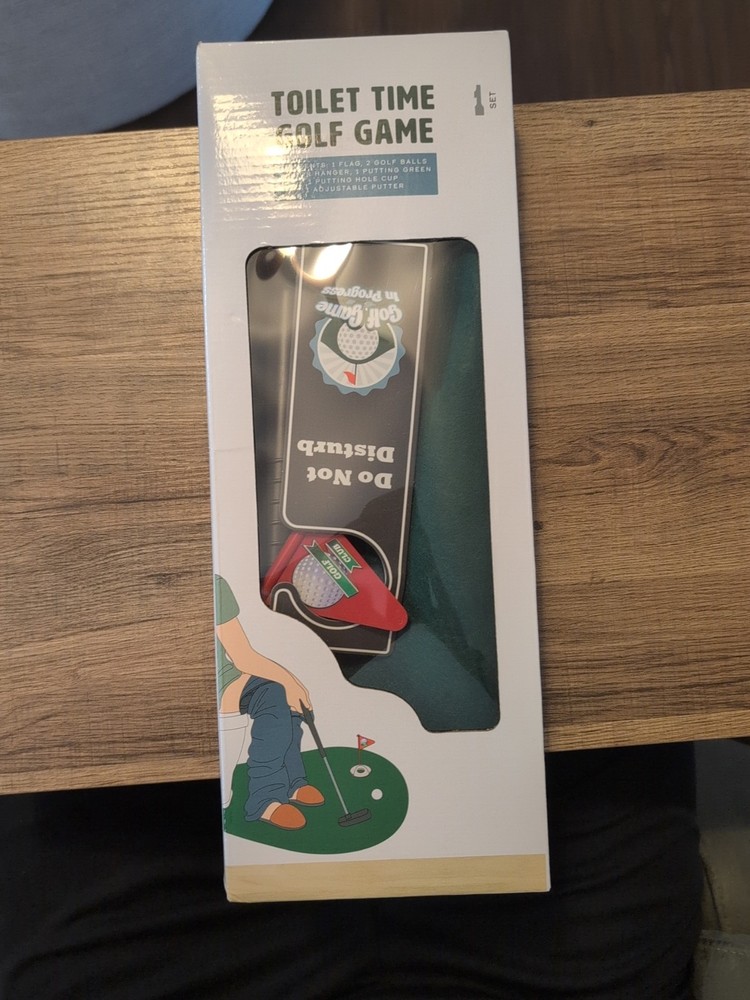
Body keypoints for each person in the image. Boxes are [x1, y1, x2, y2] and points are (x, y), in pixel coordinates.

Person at [215, 574, 324, 829]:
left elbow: (238, 653)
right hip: (211, 681)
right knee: (280, 690)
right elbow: (243, 657)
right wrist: (291, 682)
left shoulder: (218, 583)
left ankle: (294, 782)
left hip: (227, 674)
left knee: (280, 694)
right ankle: (265, 800)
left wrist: (289, 685)